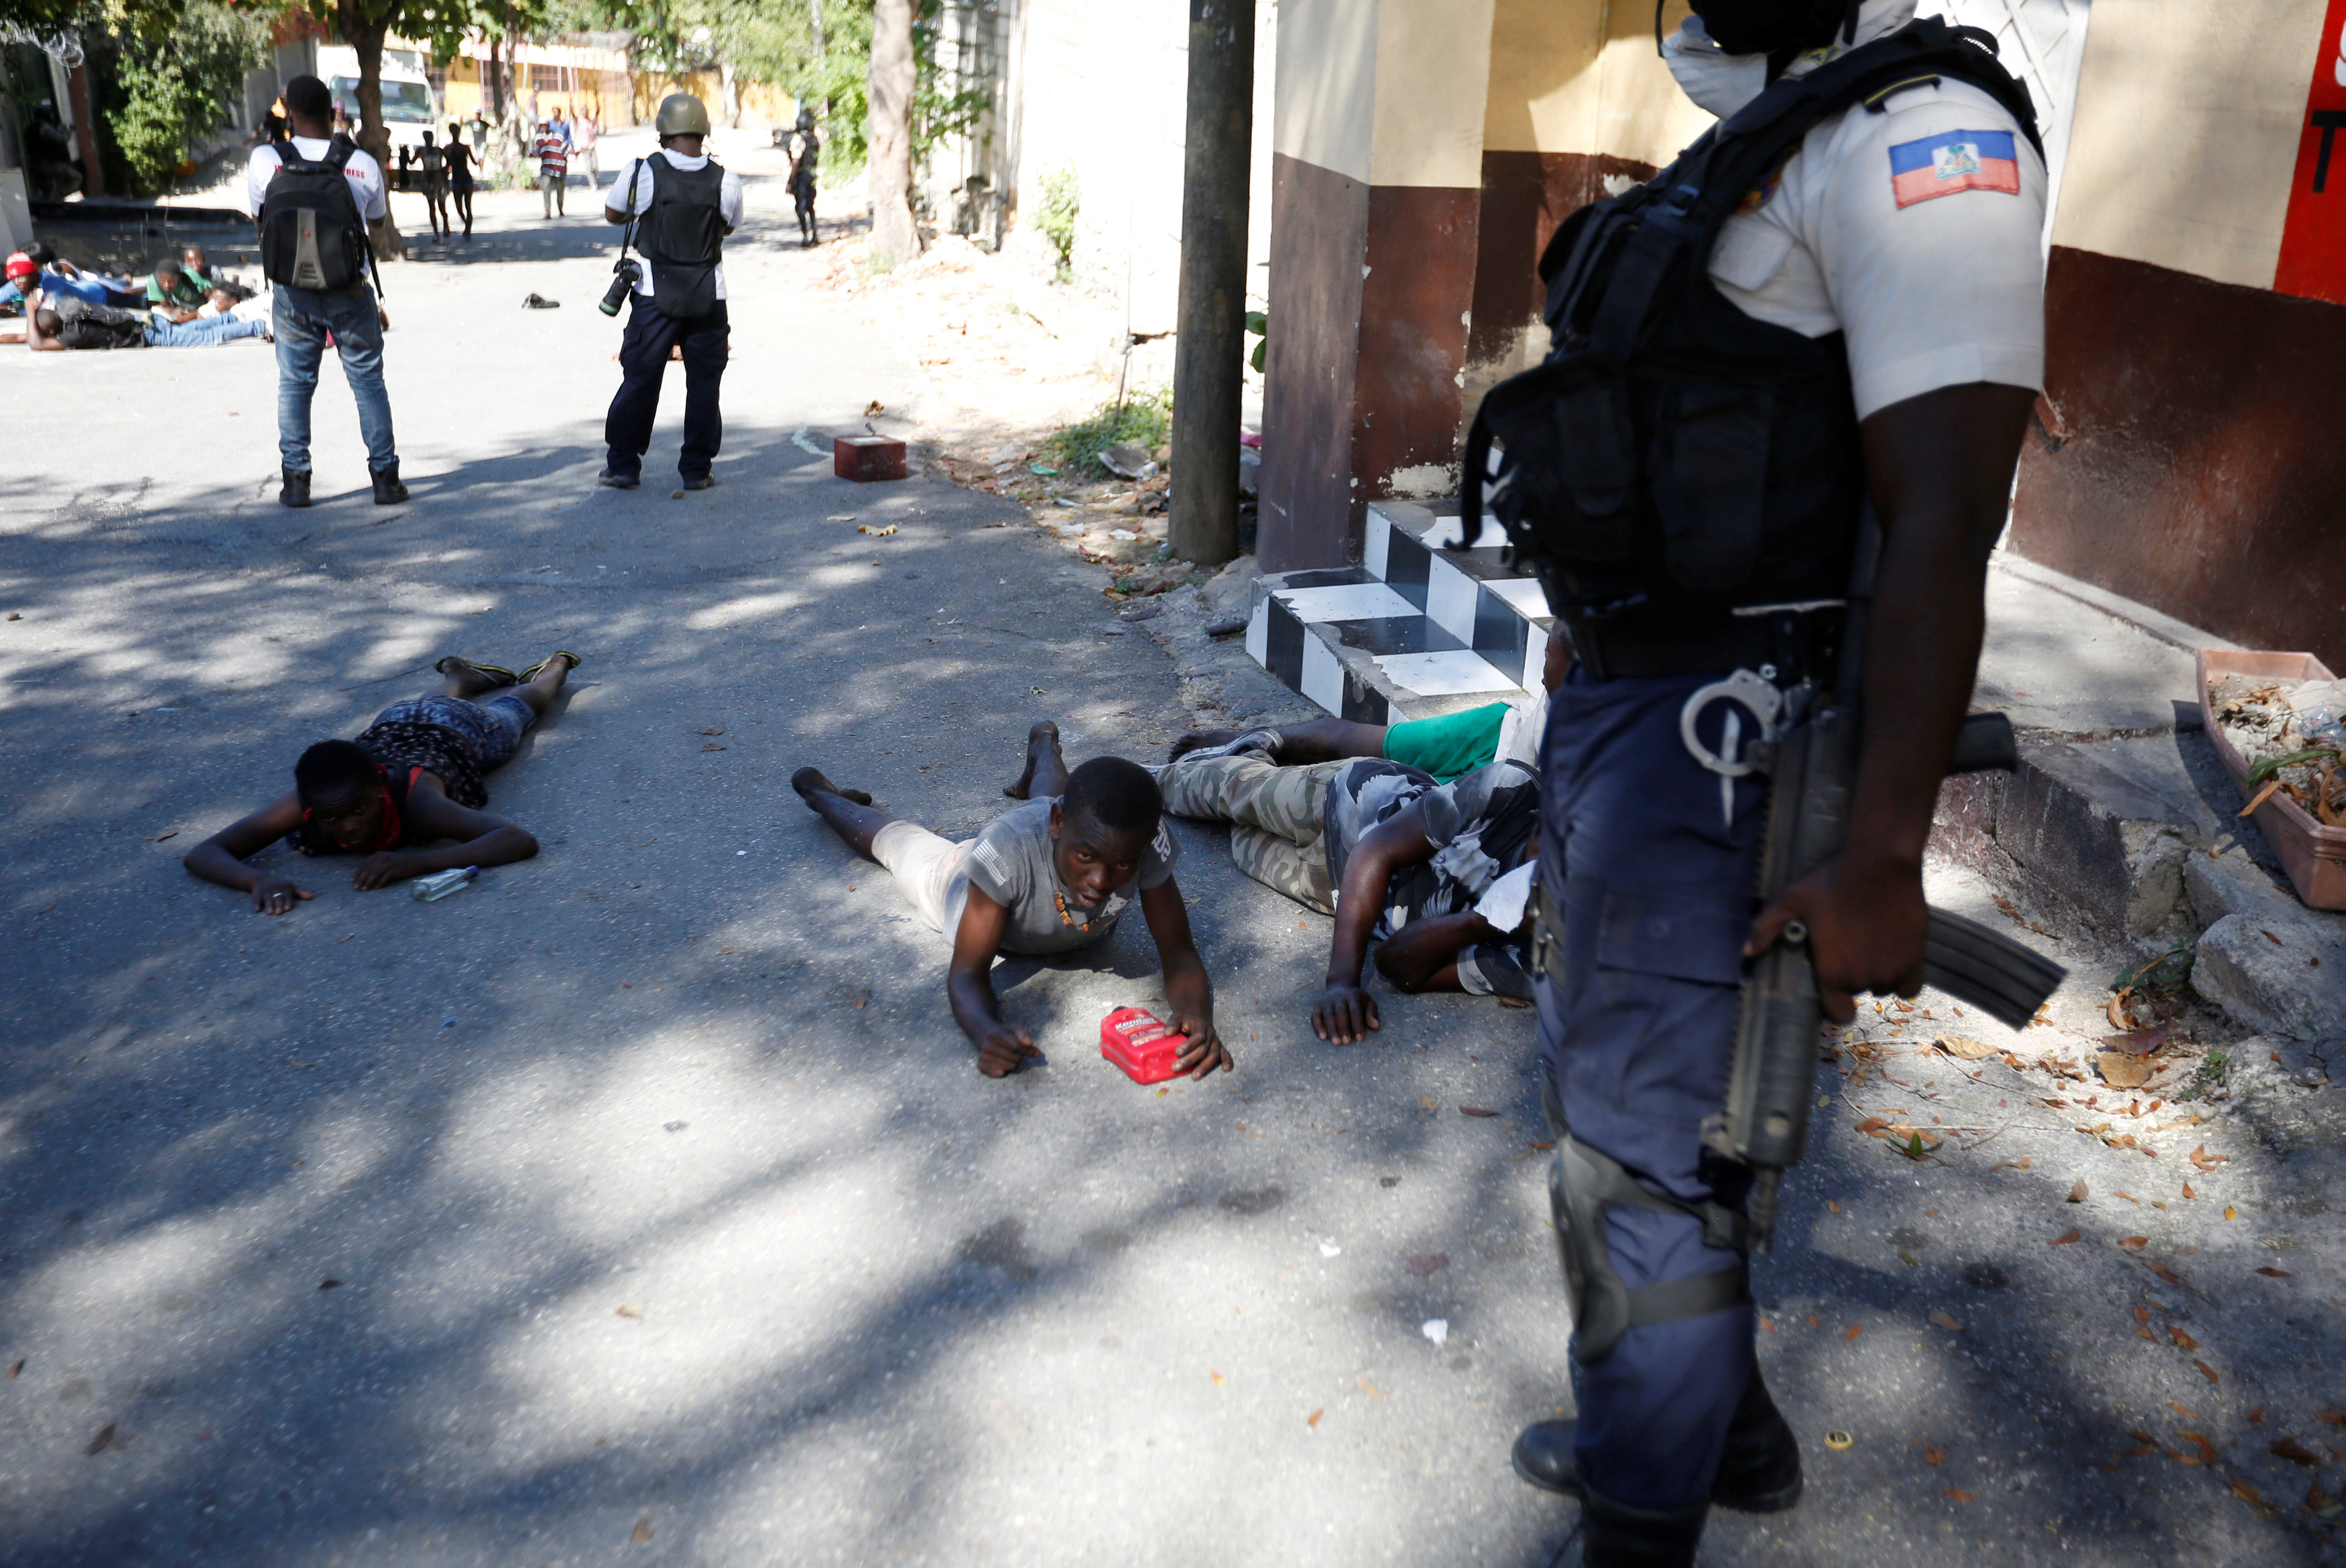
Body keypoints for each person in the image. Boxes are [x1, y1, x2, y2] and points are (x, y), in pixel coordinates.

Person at [1477, 3, 2052, 1563]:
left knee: (1655, 1163)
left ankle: (1639, 1519)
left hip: (1728, 745)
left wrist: (1882, 851)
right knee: (1616, 1119)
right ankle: (1700, 1425)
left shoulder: (1936, 136)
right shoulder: (1765, 126)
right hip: (1625, 718)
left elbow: (1943, 516)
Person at [792, 722, 1231, 1082]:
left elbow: (1178, 952)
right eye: (1087, 858)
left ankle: (1041, 746)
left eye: (1122, 866)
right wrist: (986, 1032)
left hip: (1048, 831)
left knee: (1049, 799)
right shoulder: (1004, 851)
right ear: (1059, 827)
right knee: (894, 844)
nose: (1101, 881)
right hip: (961, 877)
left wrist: (1194, 1016)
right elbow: (966, 975)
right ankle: (822, 795)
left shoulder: (1138, 840)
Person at [1151, 736, 1541, 1025]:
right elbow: (1378, 849)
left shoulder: (1549, 962)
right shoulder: (1515, 790)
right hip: (1349, 801)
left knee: (1236, 838)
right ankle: (1149, 779)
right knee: (1228, 795)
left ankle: (1248, 757)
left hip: (1341, 892)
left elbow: (1399, 968)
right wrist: (1341, 981)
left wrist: (1482, 921)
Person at [184, 653, 578, 912]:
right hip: (396, 722)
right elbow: (203, 852)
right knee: (422, 706)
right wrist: (257, 879)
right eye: (331, 819)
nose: (350, 825)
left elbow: (517, 840)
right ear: (309, 808)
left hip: (461, 731)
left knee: (516, 709)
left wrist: (416, 862)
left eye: (359, 809)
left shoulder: (418, 800)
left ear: (379, 785)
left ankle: (554, 669)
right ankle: (458, 675)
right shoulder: (311, 800)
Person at [249, 73, 406, 511]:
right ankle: (385, 481)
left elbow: (261, 223)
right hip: (350, 290)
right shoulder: (361, 163)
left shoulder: (266, 159)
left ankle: (296, 483)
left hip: (292, 294)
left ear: (293, 114)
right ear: (332, 112)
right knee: (368, 383)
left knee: (295, 385)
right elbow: (375, 223)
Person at [598, 92, 743, 492]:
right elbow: (727, 226)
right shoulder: (726, 179)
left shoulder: (642, 171)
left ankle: (624, 467)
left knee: (641, 378)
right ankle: (697, 470)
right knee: (704, 383)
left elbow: (613, 214)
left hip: (650, 292)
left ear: (663, 130)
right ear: (703, 131)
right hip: (709, 295)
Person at [1174, 637, 1564, 785]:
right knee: (1354, 742)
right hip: (1498, 735)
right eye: (1546, 651)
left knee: (1345, 788)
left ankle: (1248, 766)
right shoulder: (1518, 719)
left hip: (1505, 794)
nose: (1542, 671)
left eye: (1550, 656)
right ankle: (1242, 741)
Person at [24, 290, 267, 350]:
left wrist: (28, 309)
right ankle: (234, 316)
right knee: (192, 328)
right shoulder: (68, 311)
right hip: (145, 321)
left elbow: (36, 344)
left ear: (52, 331)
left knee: (205, 339)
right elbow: (27, 337)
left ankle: (261, 326)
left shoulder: (73, 334)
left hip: (147, 334)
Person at [786, 108, 820, 247]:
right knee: (810, 206)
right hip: (812, 175)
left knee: (800, 207)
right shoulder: (815, 140)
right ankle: (815, 234)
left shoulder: (798, 140)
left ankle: (805, 236)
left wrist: (790, 182)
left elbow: (796, 162)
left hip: (802, 176)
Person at [444, 121, 478, 239]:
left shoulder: (449, 149)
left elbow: (447, 165)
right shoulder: (463, 148)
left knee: (463, 207)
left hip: (459, 178)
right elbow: (475, 162)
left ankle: (467, 229)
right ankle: (467, 227)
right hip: (463, 177)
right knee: (464, 207)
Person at [533, 119, 570, 218]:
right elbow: (536, 152)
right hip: (546, 169)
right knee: (546, 189)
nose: (543, 127)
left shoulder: (559, 137)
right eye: (542, 125)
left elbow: (566, 150)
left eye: (545, 125)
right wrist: (525, 154)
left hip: (559, 169)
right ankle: (547, 211)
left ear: (549, 126)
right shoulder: (539, 139)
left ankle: (560, 209)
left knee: (560, 191)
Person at [418, 129, 450, 241]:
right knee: (434, 207)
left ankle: (444, 227)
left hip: (435, 180)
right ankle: (438, 232)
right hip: (431, 180)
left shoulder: (436, 151)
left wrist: (445, 170)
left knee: (439, 207)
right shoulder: (425, 150)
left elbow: (449, 161)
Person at [574, 107, 600, 189]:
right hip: (585, 148)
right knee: (589, 167)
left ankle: (594, 179)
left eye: (586, 111)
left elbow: (597, 111)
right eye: (583, 112)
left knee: (596, 167)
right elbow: (573, 114)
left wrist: (597, 100)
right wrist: (571, 100)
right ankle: (592, 184)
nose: (585, 113)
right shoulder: (580, 120)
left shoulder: (592, 121)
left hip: (592, 147)